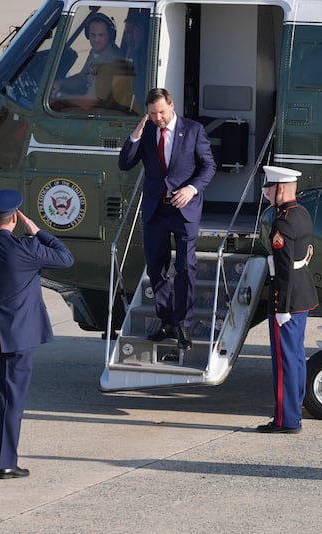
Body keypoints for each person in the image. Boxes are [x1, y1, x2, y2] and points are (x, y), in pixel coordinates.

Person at [0, 189, 74, 479]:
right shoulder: (28, 248)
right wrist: (38, 231)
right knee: (12, 399)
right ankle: (6, 463)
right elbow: (66, 258)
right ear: (14, 220)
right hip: (18, 336)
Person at [117, 87, 216, 350]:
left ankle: (183, 325)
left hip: (184, 209)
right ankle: (166, 320)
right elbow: (125, 163)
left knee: (185, 267)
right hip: (155, 210)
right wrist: (135, 137)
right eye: (152, 113)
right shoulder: (147, 131)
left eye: (161, 112)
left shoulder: (193, 130)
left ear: (171, 106)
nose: (158, 117)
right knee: (156, 269)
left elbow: (209, 165)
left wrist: (191, 188)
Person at [257, 165, 319, 434]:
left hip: (288, 299)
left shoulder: (282, 222)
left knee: (284, 362)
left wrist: (280, 307)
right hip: (302, 294)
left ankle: (286, 420)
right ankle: (294, 413)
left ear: (280, 189)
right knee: (294, 358)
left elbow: (282, 271)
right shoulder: (302, 213)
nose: (267, 193)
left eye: (268, 188)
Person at [51, 13, 126, 111]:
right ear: (87, 34)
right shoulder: (97, 52)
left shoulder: (109, 63)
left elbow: (90, 102)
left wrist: (59, 96)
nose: (96, 40)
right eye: (93, 35)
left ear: (110, 36)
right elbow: (83, 77)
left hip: (102, 115)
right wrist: (62, 83)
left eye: (101, 35)